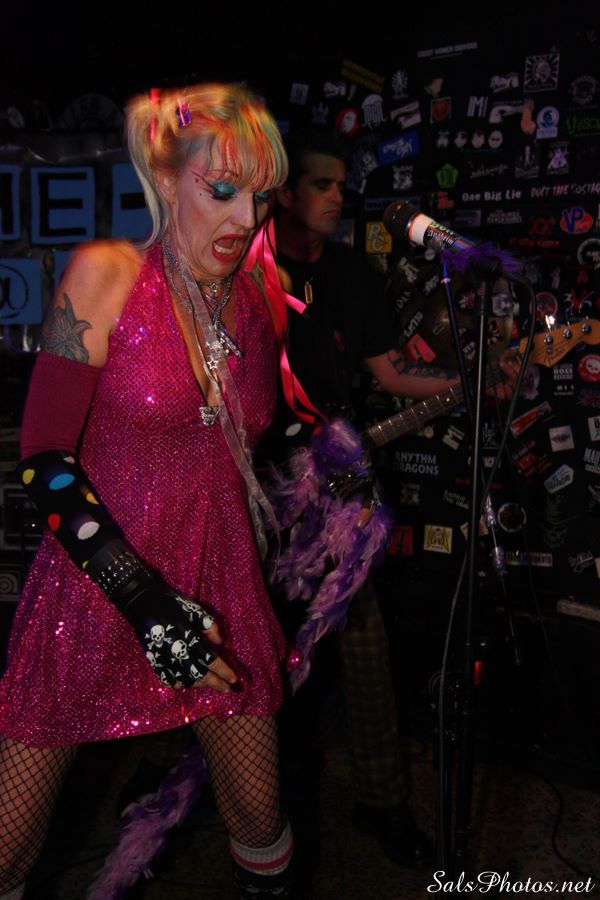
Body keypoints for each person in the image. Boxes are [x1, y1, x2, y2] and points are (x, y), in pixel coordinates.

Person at [0, 84, 294, 900]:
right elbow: (43, 458)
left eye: (261, 196)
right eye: (222, 190)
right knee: (6, 851)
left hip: (220, 585)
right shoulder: (107, 275)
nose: (246, 219)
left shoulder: (259, 299)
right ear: (166, 179)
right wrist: (144, 601)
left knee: (259, 816)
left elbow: (244, 448)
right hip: (98, 589)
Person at [268, 130, 518, 870]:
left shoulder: (350, 270)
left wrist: (469, 383)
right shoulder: (246, 267)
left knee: (365, 642)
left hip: (336, 489)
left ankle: (382, 802)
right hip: (251, 484)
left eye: (341, 185)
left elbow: (390, 374)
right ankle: (236, 795)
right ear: (284, 193)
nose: (337, 196)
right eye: (322, 184)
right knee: (250, 644)